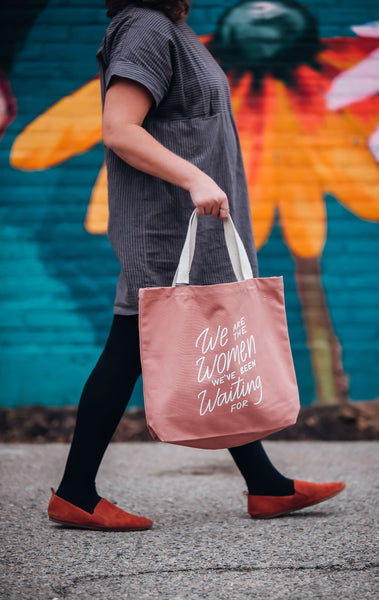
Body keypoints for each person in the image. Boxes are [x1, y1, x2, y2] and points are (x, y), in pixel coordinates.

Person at [47, 0, 345, 531]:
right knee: (126, 351)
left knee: (214, 351)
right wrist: (195, 179)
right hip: (168, 227)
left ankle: (266, 485)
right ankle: (74, 493)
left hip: (192, 225)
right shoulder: (145, 27)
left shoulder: (170, 28)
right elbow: (120, 128)